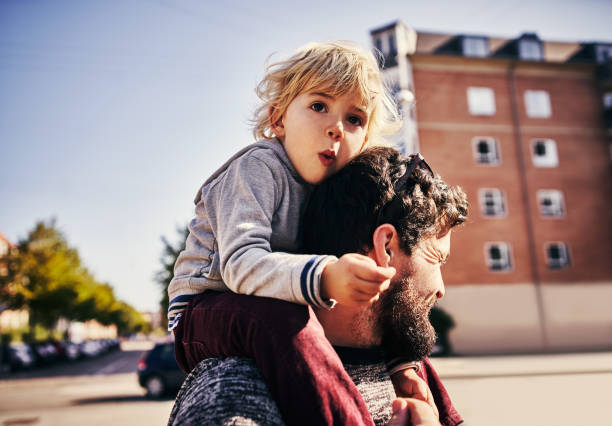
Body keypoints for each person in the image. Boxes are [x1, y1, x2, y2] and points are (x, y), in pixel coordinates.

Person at [169, 41, 406, 425]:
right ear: (278, 120)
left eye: (355, 119)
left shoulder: (331, 190)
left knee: (400, 322)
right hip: (204, 310)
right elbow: (240, 266)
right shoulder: (259, 168)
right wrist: (327, 276)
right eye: (318, 106)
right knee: (281, 319)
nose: (336, 128)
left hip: (271, 304)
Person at [168, 146, 468, 426]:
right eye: (436, 259)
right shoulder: (237, 393)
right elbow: (242, 262)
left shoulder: (407, 369)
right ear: (386, 246)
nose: (441, 288)